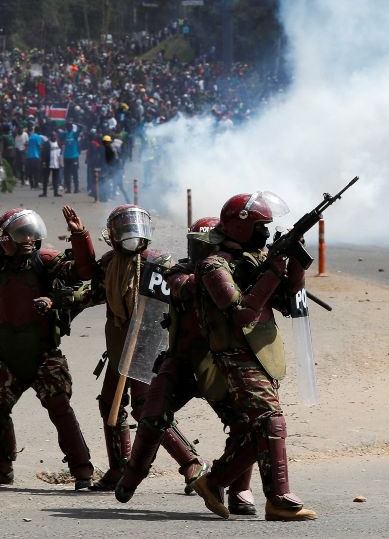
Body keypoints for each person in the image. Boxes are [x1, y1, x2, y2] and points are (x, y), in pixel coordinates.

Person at [114, 217, 256, 514]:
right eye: (196, 244)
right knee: (151, 415)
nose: (200, 251)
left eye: (207, 246)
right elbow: (185, 288)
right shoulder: (179, 271)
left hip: (220, 363)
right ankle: (133, 474)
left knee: (245, 422)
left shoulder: (234, 271)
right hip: (180, 361)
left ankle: (240, 489)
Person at [190, 192, 317, 521]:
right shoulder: (212, 266)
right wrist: (273, 270)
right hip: (234, 355)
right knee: (271, 421)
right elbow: (241, 314)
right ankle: (278, 499)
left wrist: (297, 267)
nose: (265, 232)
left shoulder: (256, 259)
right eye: (261, 226)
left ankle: (214, 481)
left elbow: (290, 303)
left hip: (261, 353)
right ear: (240, 227)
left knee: (259, 430)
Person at [77, 205, 205, 492]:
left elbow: (177, 301)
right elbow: (90, 287)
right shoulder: (110, 263)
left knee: (147, 410)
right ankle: (118, 467)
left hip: (150, 348)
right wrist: (79, 238)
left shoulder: (159, 263)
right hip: (119, 346)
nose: (130, 234)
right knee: (110, 404)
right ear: (112, 235)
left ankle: (192, 463)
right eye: (123, 228)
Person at [0, 206, 95, 490]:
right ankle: (3, 467)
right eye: (21, 234)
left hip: (45, 355)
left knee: (60, 408)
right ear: (5, 239)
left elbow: (84, 270)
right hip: (11, 356)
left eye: (31, 233)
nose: (29, 239)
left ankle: (83, 471)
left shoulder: (46, 260)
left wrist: (79, 236)